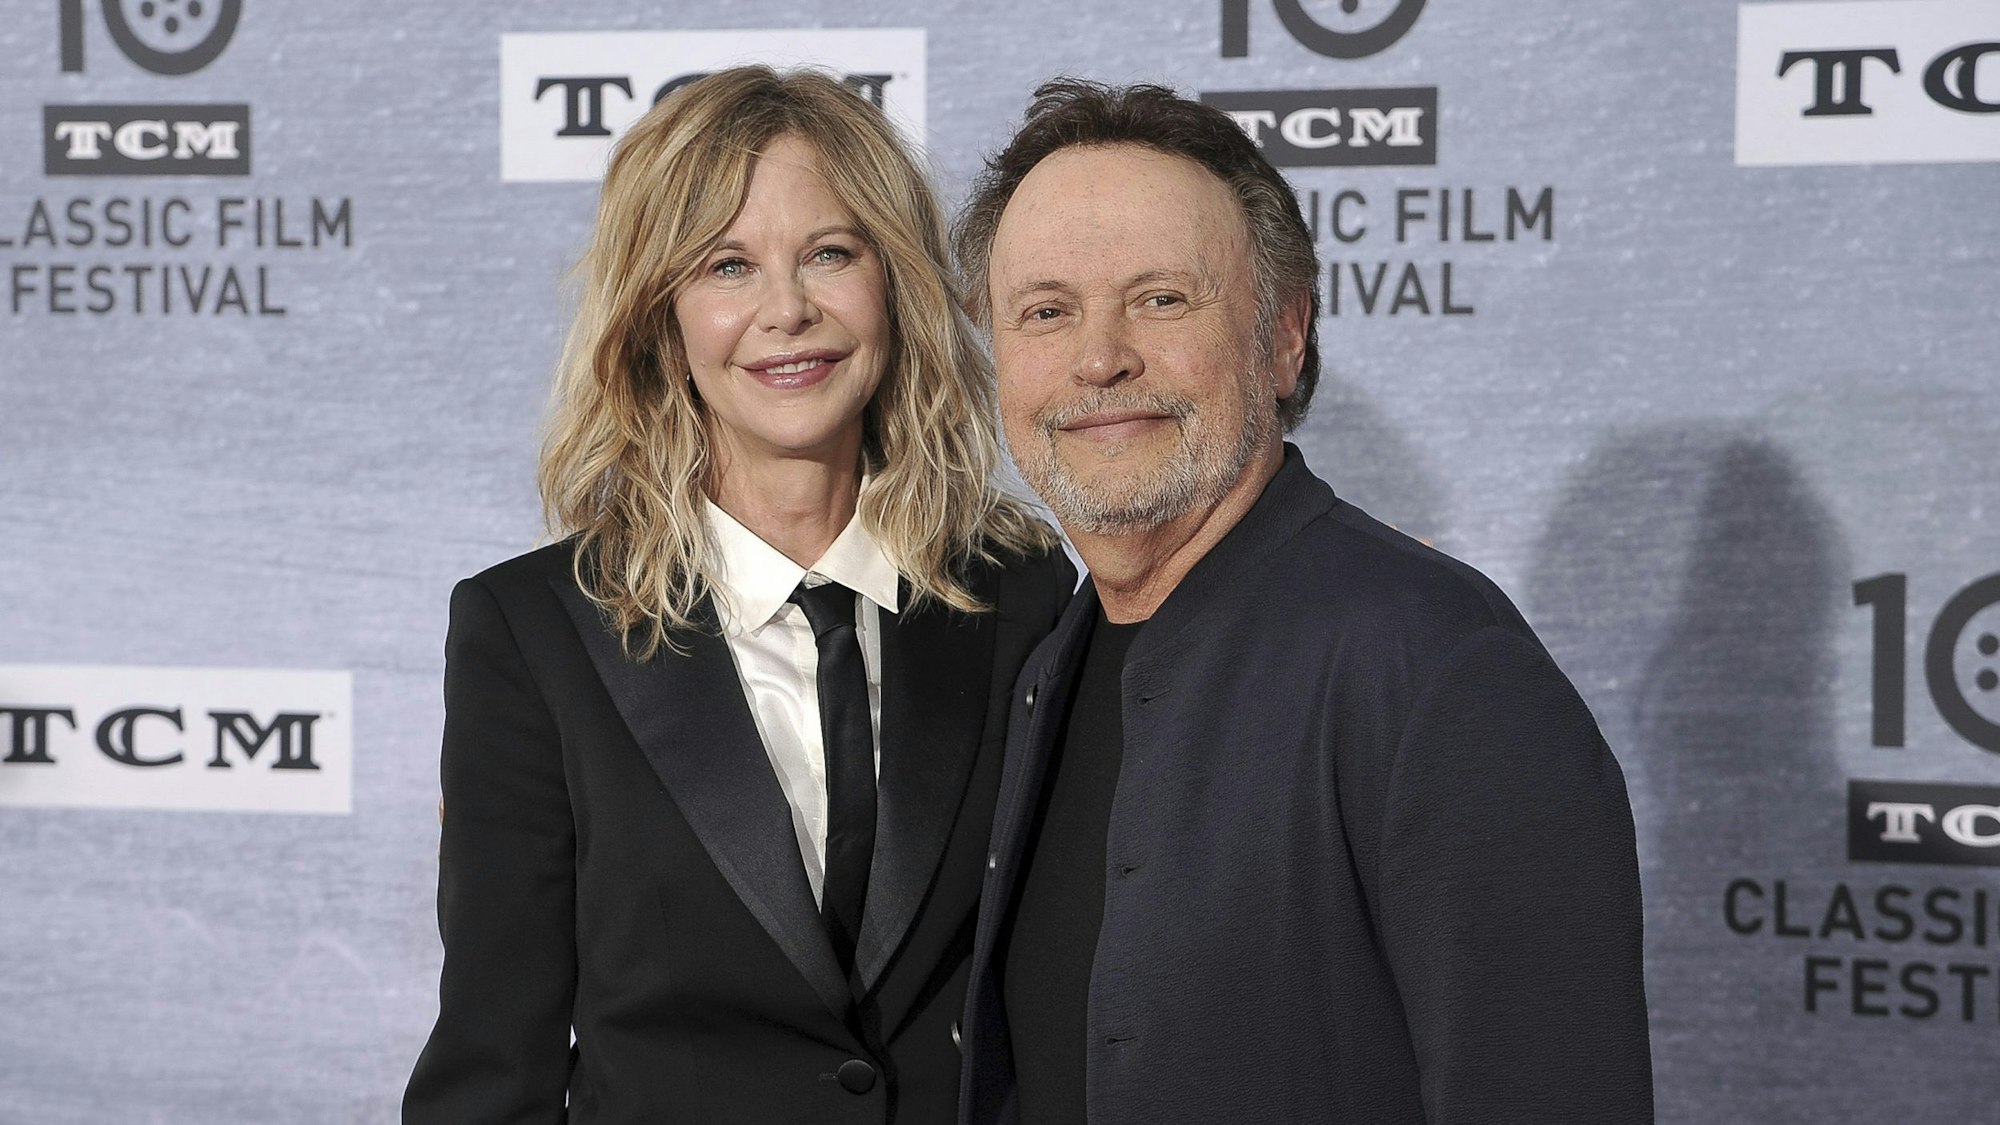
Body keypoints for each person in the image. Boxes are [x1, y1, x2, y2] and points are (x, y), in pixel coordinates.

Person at [951, 79, 1653, 1124]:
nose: (1098, 358)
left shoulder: (1436, 669)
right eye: (1045, 313)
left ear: (1282, 337)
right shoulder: (1050, 661)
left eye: (1160, 299)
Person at [403, 67, 1072, 1124]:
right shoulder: (531, 635)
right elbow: (496, 1059)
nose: (787, 310)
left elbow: (1058, 996)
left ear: (891, 283)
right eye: (726, 265)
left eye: (829, 254)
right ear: (660, 319)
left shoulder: (1019, 591)